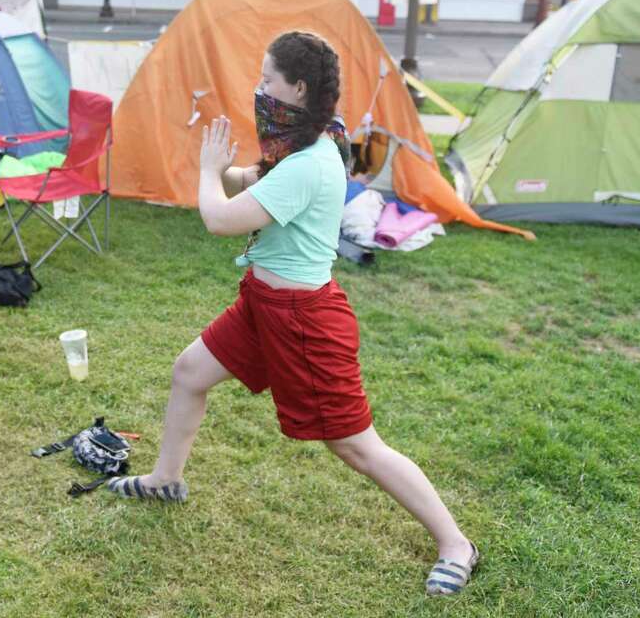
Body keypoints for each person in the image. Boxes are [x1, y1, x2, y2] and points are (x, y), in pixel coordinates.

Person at [105, 31, 479, 597]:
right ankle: (166, 480)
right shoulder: (306, 143)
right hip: (263, 304)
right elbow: (252, 183)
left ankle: (456, 544)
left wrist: (207, 175)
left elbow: (221, 220)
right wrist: (224, 167)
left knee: (355, 444)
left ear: (297, 87)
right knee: (190, 373)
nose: (258, 89)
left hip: (304, 320)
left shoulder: (310, 161)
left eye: (266, 80)